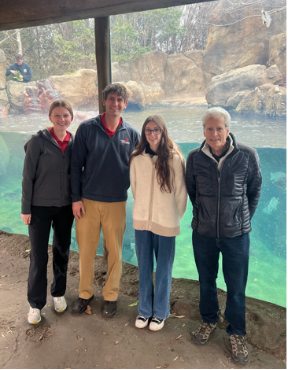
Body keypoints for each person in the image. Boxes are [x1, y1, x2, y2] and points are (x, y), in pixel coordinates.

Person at [186, 107, 262, 364]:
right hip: (204, 233)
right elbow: (192, 191)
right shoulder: (195, 157)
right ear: (203, 130)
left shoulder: (248, 155)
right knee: (206, 280)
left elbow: (254, 189)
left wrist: (242, 219)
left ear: (228, 130)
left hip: (236, 235)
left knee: (236, 287)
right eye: (209, 128)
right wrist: (205, 216)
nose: (214, 133)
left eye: (219, 128)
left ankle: (237, 332)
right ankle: (209, 319)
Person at [71, 83, 140, 318]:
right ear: (104, 101)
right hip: (87, 201)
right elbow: (74, 165)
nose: (116, 104)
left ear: (125, 104)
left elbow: (140, 168)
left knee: (115, 252)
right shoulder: (87, 128)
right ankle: (85, 293)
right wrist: (75, 199)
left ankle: (111, 295)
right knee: (87, 250)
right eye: (112, 99)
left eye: (120, 100)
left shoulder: (131, 134)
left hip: (117, 202)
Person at [130, 116, 187, 331]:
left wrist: (173, 217)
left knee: (164, 269)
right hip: (142, 221)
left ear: (163, 132)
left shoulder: (175, 158)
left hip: (166, 222)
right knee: (144, 267)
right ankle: (144, 310)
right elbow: (136, 190)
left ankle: (160, 312)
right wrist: (144, 211)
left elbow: (181, 194)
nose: (152, 134)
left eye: (156, 130)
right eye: (148, 130)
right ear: (144, 133)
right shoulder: (136, 159)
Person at [21, 100, 74, 325]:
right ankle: (35, 303)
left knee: (62, 251)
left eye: (66, 115)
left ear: (71, 118)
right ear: (50, 117)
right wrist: (26, 208)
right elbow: (27, 177)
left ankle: (58, 293)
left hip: (64, 207)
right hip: (39, 208)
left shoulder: (74, 143)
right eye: (57, 115)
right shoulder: (38, 142)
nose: (62, 119)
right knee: (39, 256)